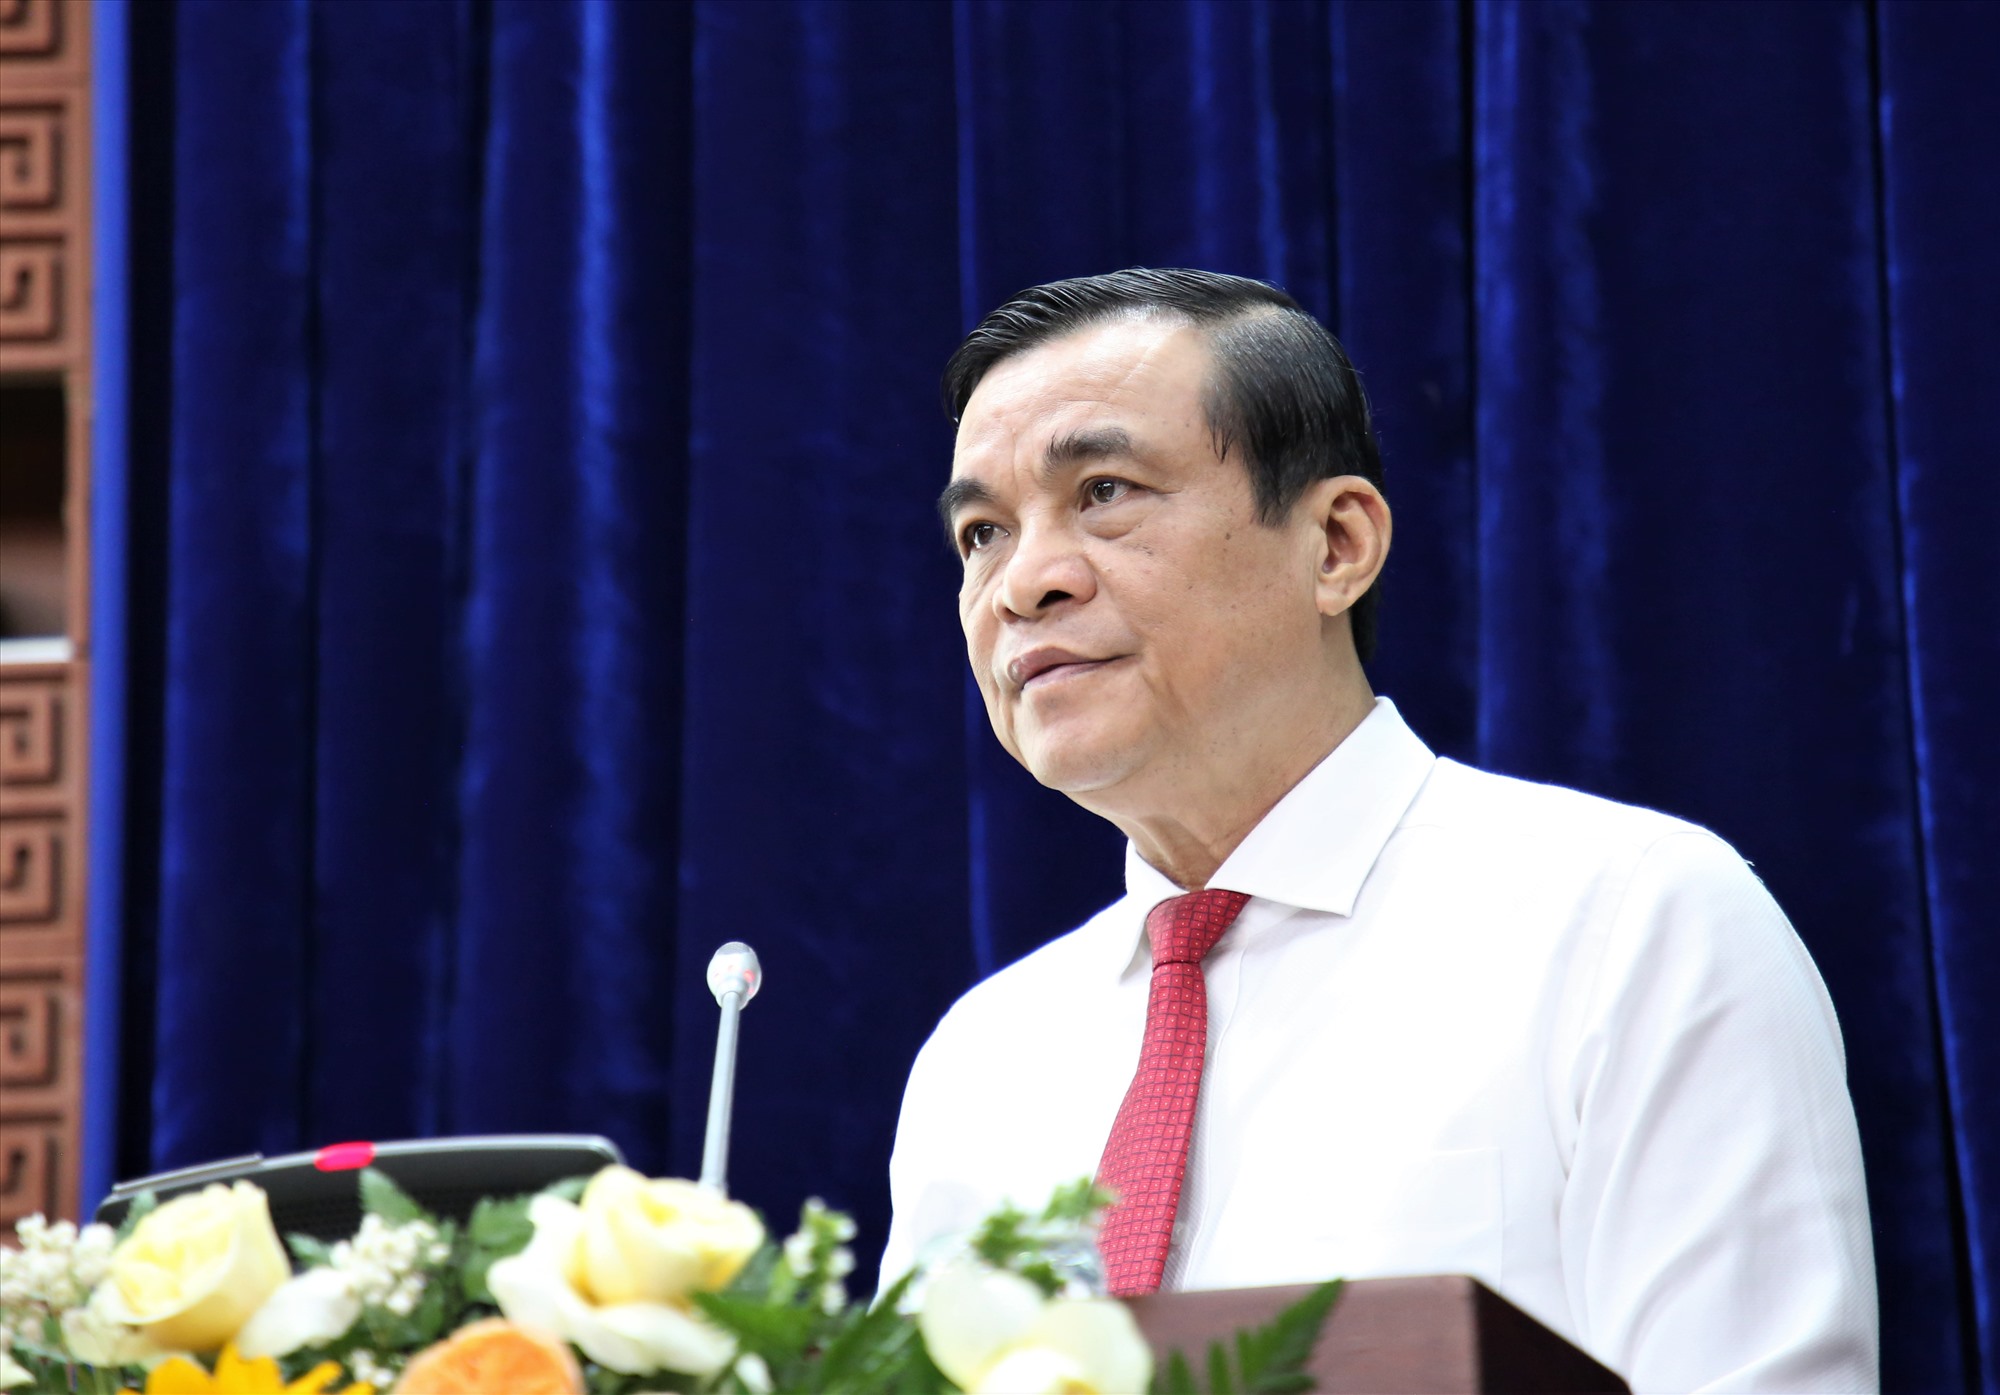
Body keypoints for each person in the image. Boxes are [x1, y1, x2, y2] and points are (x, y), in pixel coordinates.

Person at [880, 269, 1877, 1392]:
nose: (1022, 584)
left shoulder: (1629, 924)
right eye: (980, 534)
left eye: (1103, 491)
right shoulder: (983, 1057)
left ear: (1336, 544)